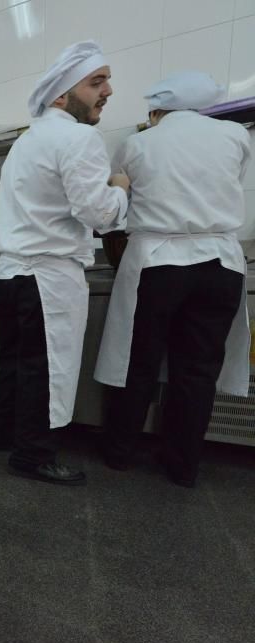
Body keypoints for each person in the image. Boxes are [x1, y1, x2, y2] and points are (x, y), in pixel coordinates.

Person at [0, 41, 129, 485]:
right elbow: (98, 214)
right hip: (46, 278)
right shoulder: (79, 137)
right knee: (47, 370)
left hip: (10, 276)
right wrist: (120, 188)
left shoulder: (26, 142)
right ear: (62, 95)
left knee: (15, 365)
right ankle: (32, 455)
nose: (108, 91)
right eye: (96, 82)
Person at [94, 72, 251, 487]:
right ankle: (182, 466)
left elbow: (117, 201)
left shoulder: (139, 143)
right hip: (220, 265)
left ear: (157, 110)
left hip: (159, 264)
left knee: (138, 363)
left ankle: (119, 453)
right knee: (197, 370)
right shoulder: (235, 136)